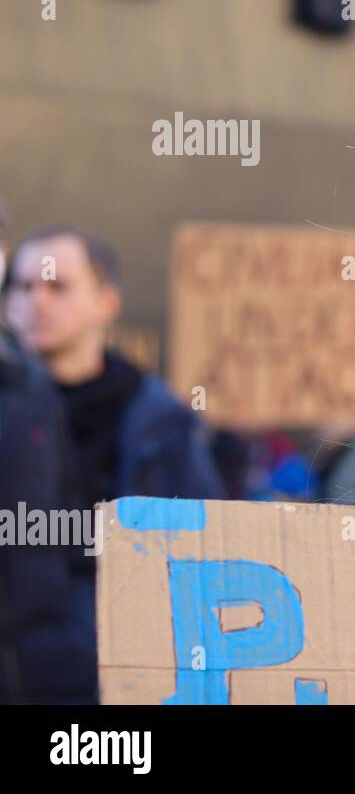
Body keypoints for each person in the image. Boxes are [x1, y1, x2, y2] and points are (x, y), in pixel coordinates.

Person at [4, 226, 226, 510]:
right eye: (23, 287)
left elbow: (198, 539)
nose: (36, 302)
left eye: (57, 287)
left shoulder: (163, 422)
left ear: (107, 302)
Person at [0, 199, 98, 703]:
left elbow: (69, 527)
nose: (37, 301)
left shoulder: (29, 386)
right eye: (28, 286)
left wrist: (75, 644)